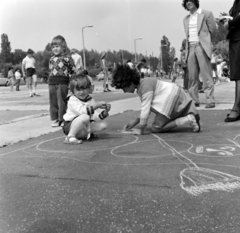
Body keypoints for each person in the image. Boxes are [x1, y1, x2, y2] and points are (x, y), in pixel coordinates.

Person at [111, 64, 200, 135]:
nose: (124, 92)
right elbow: (147, 108)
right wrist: (135, 122)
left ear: (129, 83)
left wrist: (141, 129)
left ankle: (187, 119)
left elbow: (145, 110)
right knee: (159, 122)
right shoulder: (143, 84)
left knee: (156, 128)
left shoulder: (144, 88)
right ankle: (189, 118)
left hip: (172, 100)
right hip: (177, 95)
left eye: (123, 88)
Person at [182, 0, 217, 108]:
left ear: (195, 2)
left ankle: (210, 100)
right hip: (190, 47)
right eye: (186, 1)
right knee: (192, 76)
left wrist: (207, 43)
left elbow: (213, 30)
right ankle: (194, 100)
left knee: (206, 74)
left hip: (201, 46)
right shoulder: (185, 19)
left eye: (191, 0)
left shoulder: (206, 13)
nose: (188, 3)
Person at [63, 74, 111, 144]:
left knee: (103, 125)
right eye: (78, 89)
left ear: (89, 89)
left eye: (84, 88)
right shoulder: (72, 100)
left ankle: (84, 134)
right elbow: (82, 111)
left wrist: (104, 113)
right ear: (73, 90)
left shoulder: (90, 100)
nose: (82, 92)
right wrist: (96, 105)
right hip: (70, 126)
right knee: (85, 117)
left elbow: (95, 117)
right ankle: (70, 136)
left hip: (84, 126)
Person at [220, 0, 240, 122]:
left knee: (238, 75)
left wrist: (229, 23)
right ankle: (237, 107)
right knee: (237, 74)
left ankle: (237, 108)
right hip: (235, 37)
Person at [48, 35, 75, 127]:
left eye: (57, 46)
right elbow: (51, 69)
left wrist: (71, 84)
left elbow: (73, 71)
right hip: (52, 82)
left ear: (63, 47)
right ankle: (55, 119)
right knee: (53, 102)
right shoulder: (51, 59)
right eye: (53, 47)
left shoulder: (68, 58)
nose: (55, 49)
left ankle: (63, 119)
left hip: (63, 82)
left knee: (62, 101)